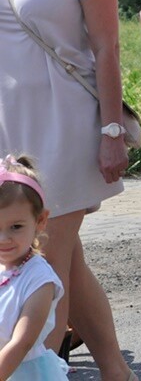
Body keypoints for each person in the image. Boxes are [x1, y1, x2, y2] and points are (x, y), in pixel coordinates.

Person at [0, 0, 135, 381]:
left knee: (44, 266)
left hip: (69, 123)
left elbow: (107, 45)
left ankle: (37, 374)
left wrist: (111, 131)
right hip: (12, 125)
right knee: (68, 265)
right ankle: (114, 370)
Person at [0, 155, 70, 380]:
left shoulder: (39, 279)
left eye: (16, 227)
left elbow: (22, 342)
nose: (4, 238)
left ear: (40, 221)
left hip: (26, 373)